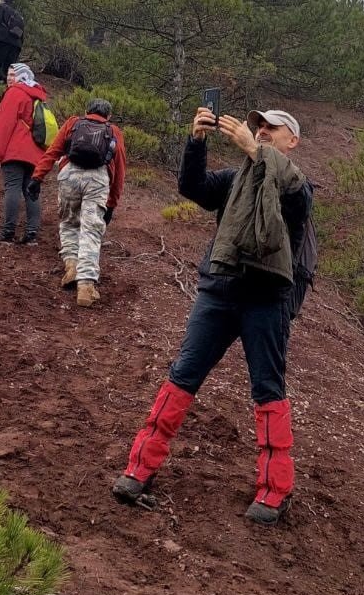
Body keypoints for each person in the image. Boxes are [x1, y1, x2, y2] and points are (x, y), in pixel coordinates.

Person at [111, 107, 314, 526]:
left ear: (291, 140)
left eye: (271, 128)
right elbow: (194, 187)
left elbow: (294, 197)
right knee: (182, 375)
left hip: (266, 301)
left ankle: (275, 491)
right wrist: (196, 142)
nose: (261, 131)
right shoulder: (235, 179)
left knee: (268, 390)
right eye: (258, 126)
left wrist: (256, 152)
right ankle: (139, 469)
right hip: (219, 292)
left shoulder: (297, 185)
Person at [28, 98, 127, 308]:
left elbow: (53, 151)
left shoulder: (73, 123)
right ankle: (86, 286)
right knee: (91, 231)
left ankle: (71, 266)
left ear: (86, 111)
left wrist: (37, 177)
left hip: (69, 175)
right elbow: (119, 170)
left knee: (69, 223)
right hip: (97, 180)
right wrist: (112, 203)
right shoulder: (114, 131)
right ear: (108, 116)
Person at [0, 63, 49, 245]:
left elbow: (3, 125)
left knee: (12, 188)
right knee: (30, 191)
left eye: (13, 74)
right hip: (34, 153)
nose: (9, 78)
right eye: (8, 74)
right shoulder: (37, 94)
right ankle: (31, 234)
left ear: (22, 76)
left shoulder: (14, 93)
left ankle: (8, 232)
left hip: (15, 151)